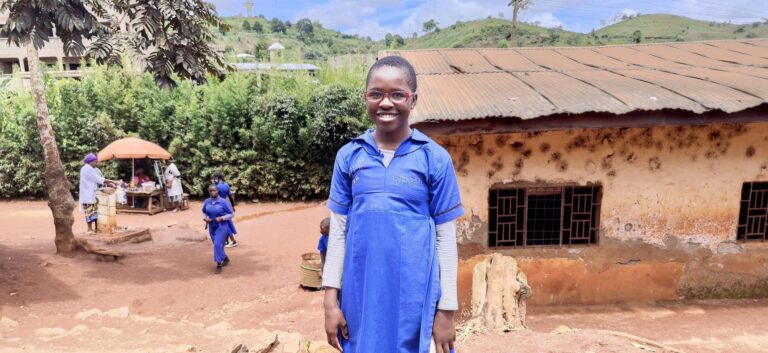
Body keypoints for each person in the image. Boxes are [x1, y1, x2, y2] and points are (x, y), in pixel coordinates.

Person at [322, 56, 463, 353]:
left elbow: (445, 238)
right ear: (365, 98)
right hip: (360, 295)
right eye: (376, 94)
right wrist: (330, 300)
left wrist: (447, 311)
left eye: (397, 94)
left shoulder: (434, 158)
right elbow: (338, 233)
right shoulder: (349, 156)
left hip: (413, 296)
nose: (386, 103)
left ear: (413, 100)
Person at [79, 153, 119, 234]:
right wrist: (113, 181)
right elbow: (98, 179)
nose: (96, 163)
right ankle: (89, 229)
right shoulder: (87, 169)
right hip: (87, 194)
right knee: (89, 212)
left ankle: (96, 229)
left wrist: (109, 183)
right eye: (95, 162)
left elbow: (100, 179)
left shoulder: (90, 169)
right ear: (91, 161)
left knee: (95, 212)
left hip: (92, 194)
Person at [202, 184, 235, 274]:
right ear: (208, 192)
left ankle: (218, 265)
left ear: (218, 191)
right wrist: (205, 218)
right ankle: (225, 258)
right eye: (210, 190)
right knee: (218, 245)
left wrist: (222, 218)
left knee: (217, 244)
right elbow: (204, 212)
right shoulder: (207, 201)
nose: (212, 192)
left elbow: (231, 214)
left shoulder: (223, 202)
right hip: (212, 226)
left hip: (222, 226)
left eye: (214, 190)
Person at [212, 172, 238, 248]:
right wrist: (233, 206)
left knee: (225, 224)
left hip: (220, 206)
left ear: (216, 178)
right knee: (226, 222)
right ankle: (226, 241)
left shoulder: (217, 187)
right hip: (227, 205)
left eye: (214, 178)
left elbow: (214, 197)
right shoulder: (226, 185)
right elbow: (230, 196)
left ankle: (233, 241)